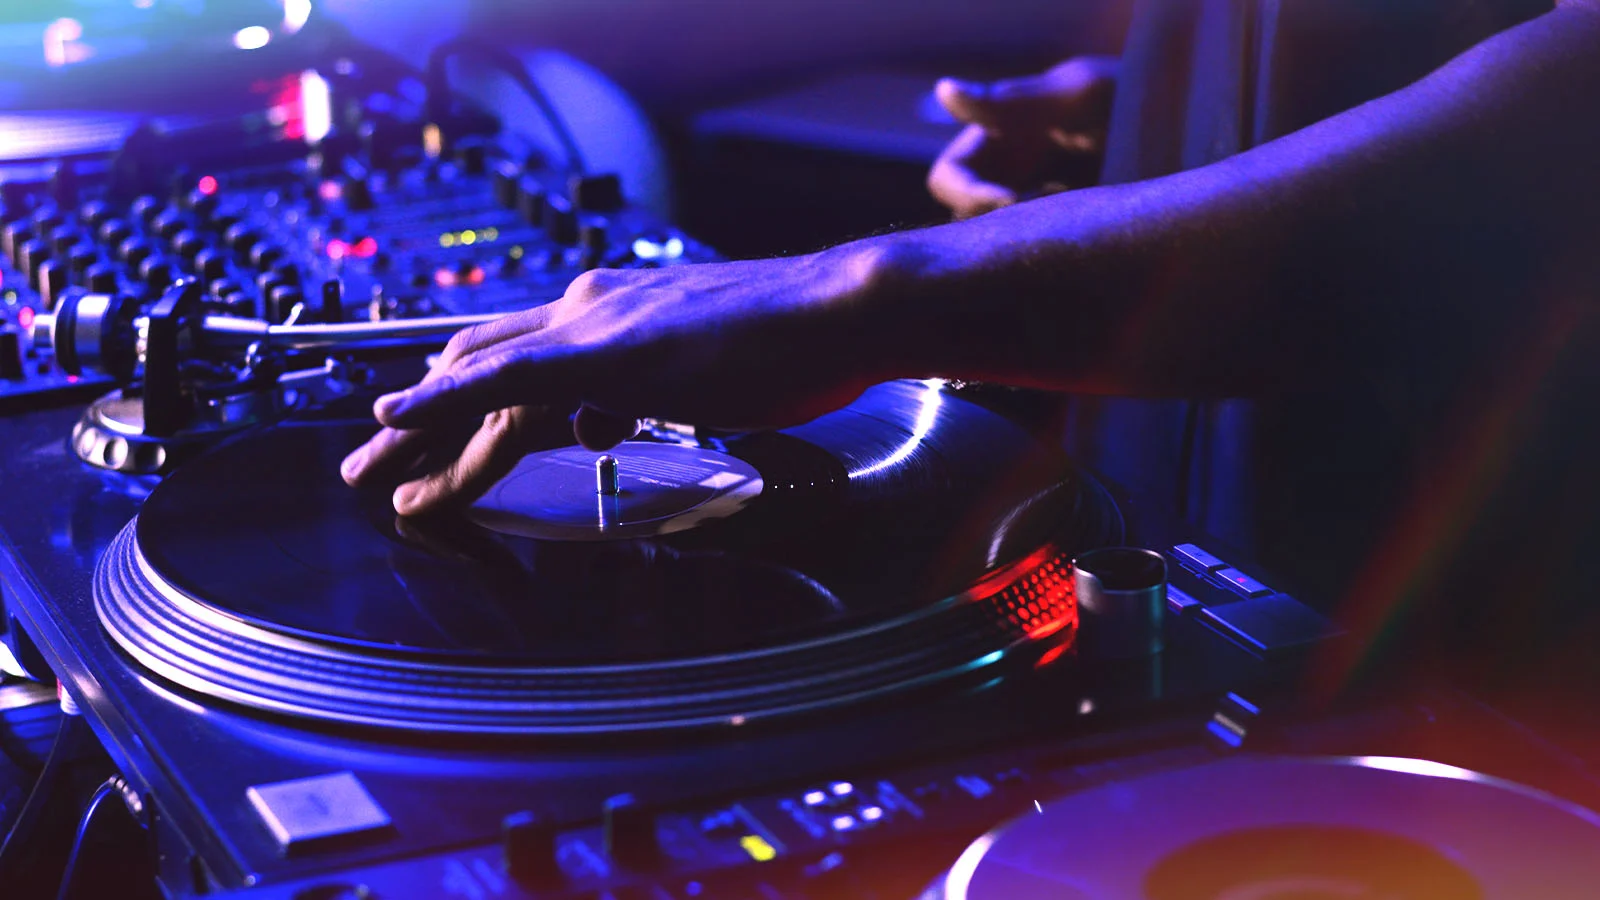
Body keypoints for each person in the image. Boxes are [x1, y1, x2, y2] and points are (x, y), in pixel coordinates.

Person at [342, 2, 1600, 684]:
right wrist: (1173, 110)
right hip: (1214, 530)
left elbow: (1540, 158)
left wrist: (865, 291)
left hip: (1501, 641)